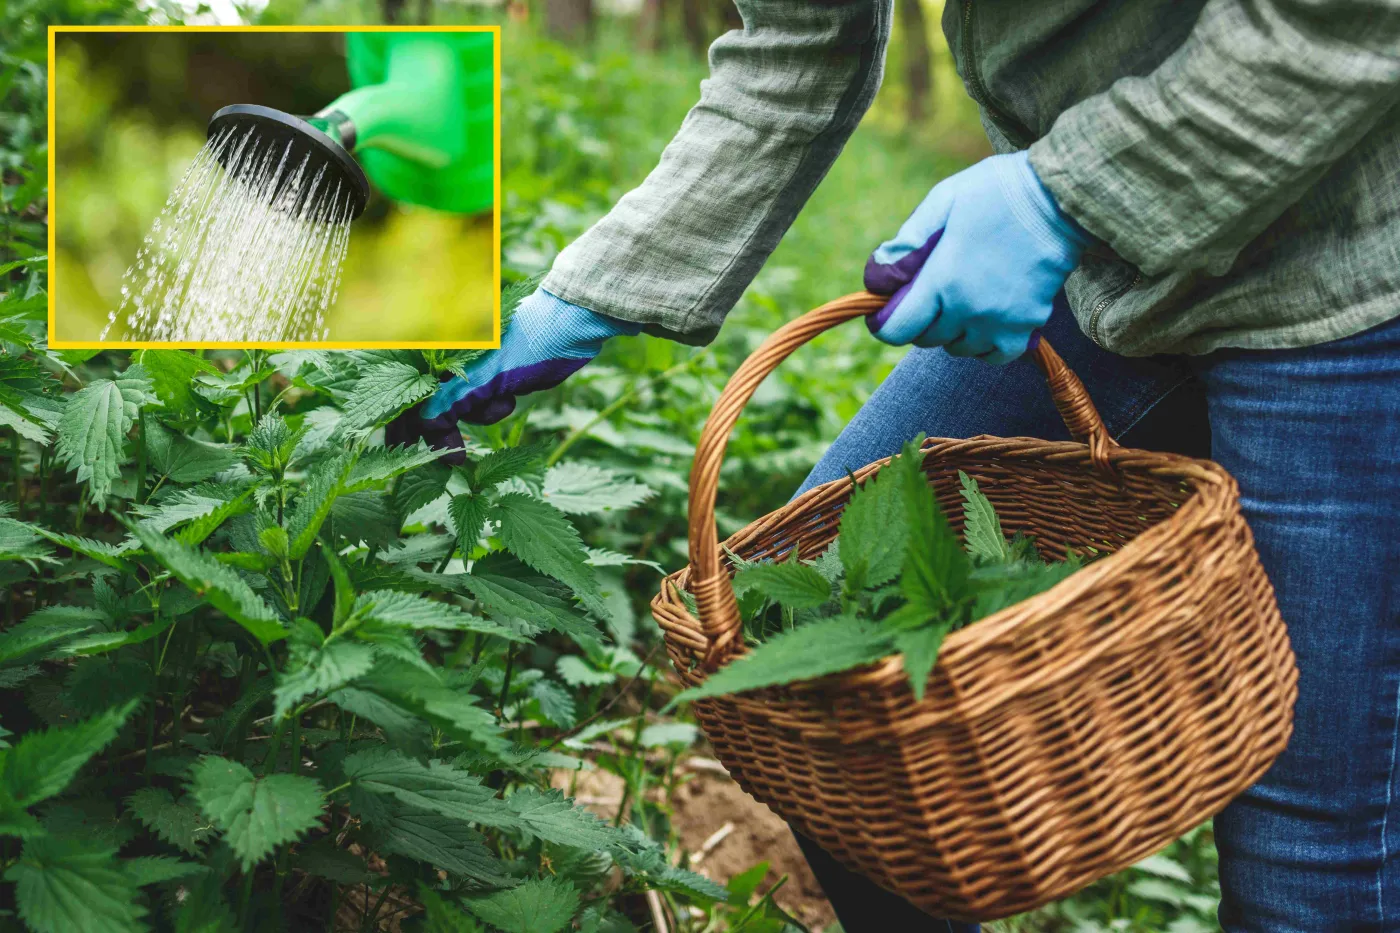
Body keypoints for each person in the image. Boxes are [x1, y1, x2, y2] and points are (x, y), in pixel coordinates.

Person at [395, 2, 1400, 929]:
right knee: (829, 668)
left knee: (1309, 842)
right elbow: (799, 46)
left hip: (1348, 252)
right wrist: (591, 294)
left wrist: (1068, 194)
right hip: (1104, 266)